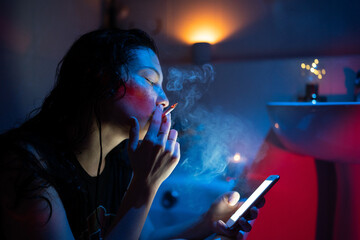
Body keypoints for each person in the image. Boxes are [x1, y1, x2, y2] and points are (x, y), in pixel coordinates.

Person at [0, 28, 263, 240]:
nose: (165, 100)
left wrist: (208, 221)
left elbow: (143, 235)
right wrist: (145, 185)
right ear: (102, 79)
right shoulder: (24, 168)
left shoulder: (120, 159)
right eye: (150, 81)